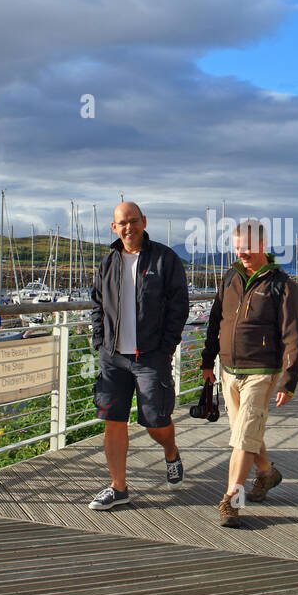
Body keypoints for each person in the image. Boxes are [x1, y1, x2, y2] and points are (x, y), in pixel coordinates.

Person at [86, 201, 189, 510]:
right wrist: (100, 342)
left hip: (150, 357)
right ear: (114, 228)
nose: (128, 226)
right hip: (113, 358)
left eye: (133, 220)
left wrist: (166, 346)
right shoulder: (108, 262)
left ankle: (170, 451)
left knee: (157, 422)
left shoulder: (165, 259)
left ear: (144, 221)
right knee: (113, 421)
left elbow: (179, 306)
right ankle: (119, 488)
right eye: (122, 222)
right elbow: (96, 304)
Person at [201, 219, 298, 527]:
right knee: (244, 433)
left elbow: (293, 335)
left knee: (242, 437)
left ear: (262, 245)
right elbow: (216, 320)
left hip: (261, 370)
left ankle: (232, 499)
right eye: (237, 247)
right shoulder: (230, 277)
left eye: (248, 247)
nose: (242, 253)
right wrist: (208, 362)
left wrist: (289, 379)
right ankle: (266, 473)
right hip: (230, 369)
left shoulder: (281, 284)